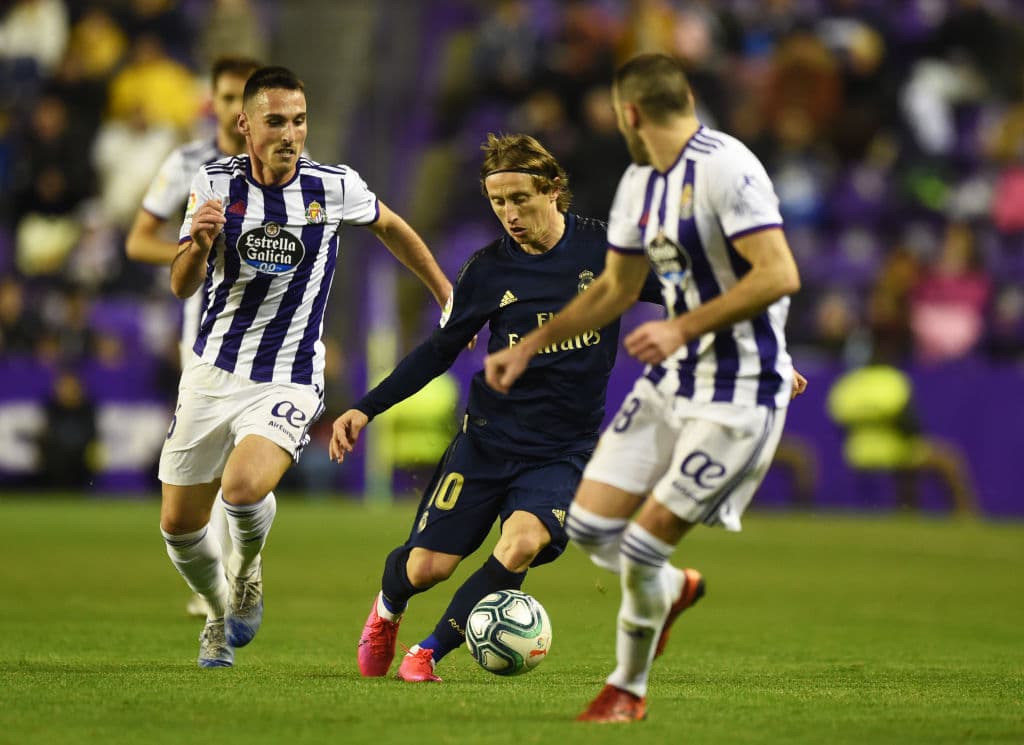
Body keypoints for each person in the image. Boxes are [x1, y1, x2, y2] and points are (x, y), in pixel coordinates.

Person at [485, 53, 803, 722]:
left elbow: (777, 273)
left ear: (627, 112)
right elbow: (615, 289)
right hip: (670, 384)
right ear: (683, 94)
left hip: (738, 392)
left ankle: (626, 690)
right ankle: (672, 588)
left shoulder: (729, 167)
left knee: (639, 543)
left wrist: (681, 327)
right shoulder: (638, 184)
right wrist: (531, 345)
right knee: (593, 529)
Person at [329, 133, 664, 683]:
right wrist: (366, 409)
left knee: (523, 542)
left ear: (554, 191)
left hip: (561, 451)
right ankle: (387, 611)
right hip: (486, 442)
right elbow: (439, 350)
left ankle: (428, 652)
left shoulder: (606, 252)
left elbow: (689, 293)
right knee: (427, 567)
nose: (509, 213)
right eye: (498, 202)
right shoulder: (487, 270)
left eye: (520, 199)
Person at [160, 66, 452, 668]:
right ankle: (219, 611)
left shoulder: (333, 186)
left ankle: (245, 575)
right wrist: (198, 244)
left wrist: (445, 294)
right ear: (245, 125)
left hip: (289, 373)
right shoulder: (214, 182)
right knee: (179, 529)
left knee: (242, 490)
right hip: (212, 371)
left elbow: (393, 228)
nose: (290, 134)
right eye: (275, 122)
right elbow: (181, 284)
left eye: (298, 120)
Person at [126, 55, 261, 619]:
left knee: (245, 453)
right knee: (208, 456)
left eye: (243, 99)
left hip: (261, 335)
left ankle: (239, 575)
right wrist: (197, 248)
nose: (234, 109)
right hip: (201, 332)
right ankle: (227, 575)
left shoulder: (284, 169)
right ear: (214, 102)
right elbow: (138, 242)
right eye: (226, 98)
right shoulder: (187, 164)